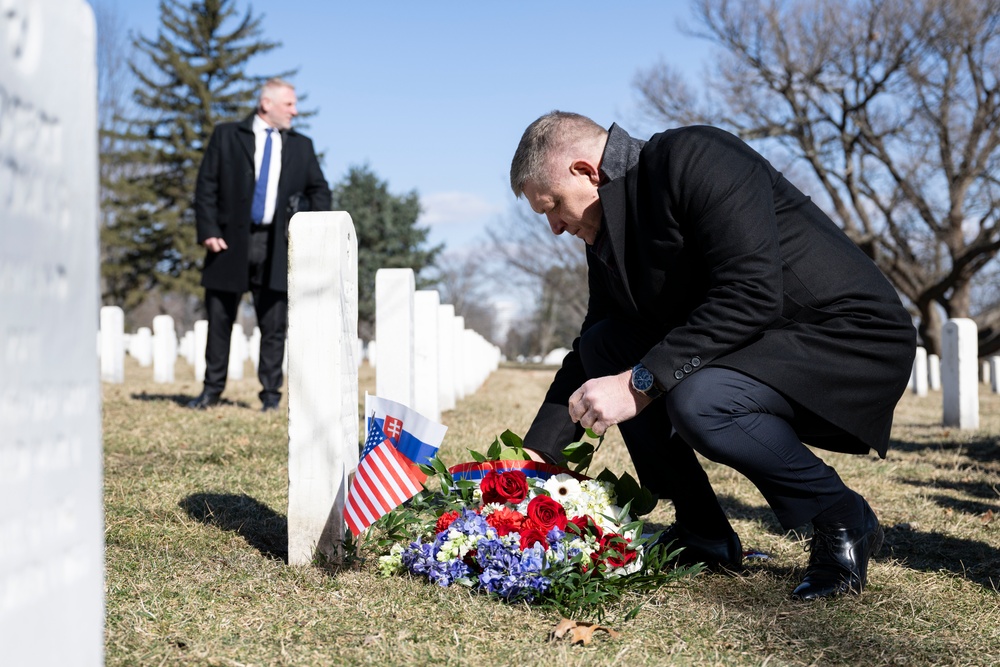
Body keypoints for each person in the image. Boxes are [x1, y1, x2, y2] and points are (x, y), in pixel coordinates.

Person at [510, 111, 915, 600]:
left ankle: (841, 514)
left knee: (701, 398)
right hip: (761, 345)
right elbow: (594, 339)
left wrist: (638, 383)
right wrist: (539, 453)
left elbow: (751, 292)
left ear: (585, 171)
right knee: (607, 345)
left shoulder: (696, 156)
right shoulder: (608, 234)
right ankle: (704, 533)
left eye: (551, 206)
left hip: (843, 336)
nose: (554, 227)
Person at [187, 78, 331, 412]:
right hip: (228, 242)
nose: (295, 111)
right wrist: (208, 229)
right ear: (266, 104)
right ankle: (211, 390)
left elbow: (320, 192)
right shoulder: (227, 136)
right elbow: (205, 185)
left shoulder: (301, 145)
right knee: (220, 319)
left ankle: (270, 396)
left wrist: (303, 213)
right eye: (289, 105)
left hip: (278, 244)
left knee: (274, 322)